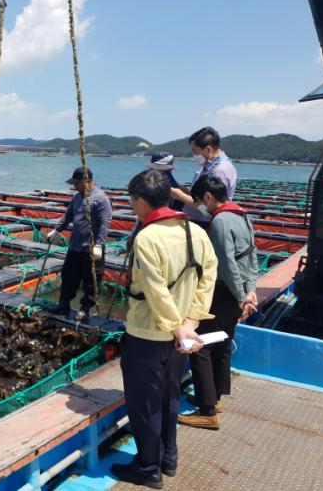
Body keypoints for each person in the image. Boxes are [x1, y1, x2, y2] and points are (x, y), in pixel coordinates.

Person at [111, 170, 217, 489]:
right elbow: (208, 278)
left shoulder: (147, 237)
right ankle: (168, 457)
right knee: (170, 397)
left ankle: (148, 467)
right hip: (180, 337)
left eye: (132, 201)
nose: (133, 207)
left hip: (148, 334)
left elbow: (155, 290)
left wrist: (175, 327)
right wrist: (190, 323)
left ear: (141, 201)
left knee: (144, 403)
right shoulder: (195, 231)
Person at [178, 175, 258, 430]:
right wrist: (250, 290)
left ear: (208, 197)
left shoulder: (221, 220)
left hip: (223, 292)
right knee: (222, 343)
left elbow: (226, 263)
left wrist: (240, 296)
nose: (200, 207)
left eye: (200, 201)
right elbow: (252, 254)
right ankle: (216, 397)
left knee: (199, 346)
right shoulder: (242, 214)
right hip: (238, 293)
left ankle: (208, 411)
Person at [47, 167, 112, 321]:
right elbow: (68, 216)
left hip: (91, 249)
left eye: (76, 183)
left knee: (91, 281)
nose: (74, 186)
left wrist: (99, 244)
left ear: (86, 181)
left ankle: (85, 309)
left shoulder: (101, 199)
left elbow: (105, 223)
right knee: (68, 277)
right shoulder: (77, 197)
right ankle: (63, 304)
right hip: (75, 247)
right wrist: (57, 230)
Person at [170, 127, 238, 227]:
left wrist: (180, 195)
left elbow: (207, 210)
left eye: (195, 151)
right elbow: (200, 197)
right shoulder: (209, 165)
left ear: (207, 150)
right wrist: (181, 189)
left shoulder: (219, 171)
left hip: (204, 224)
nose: (194, 156)